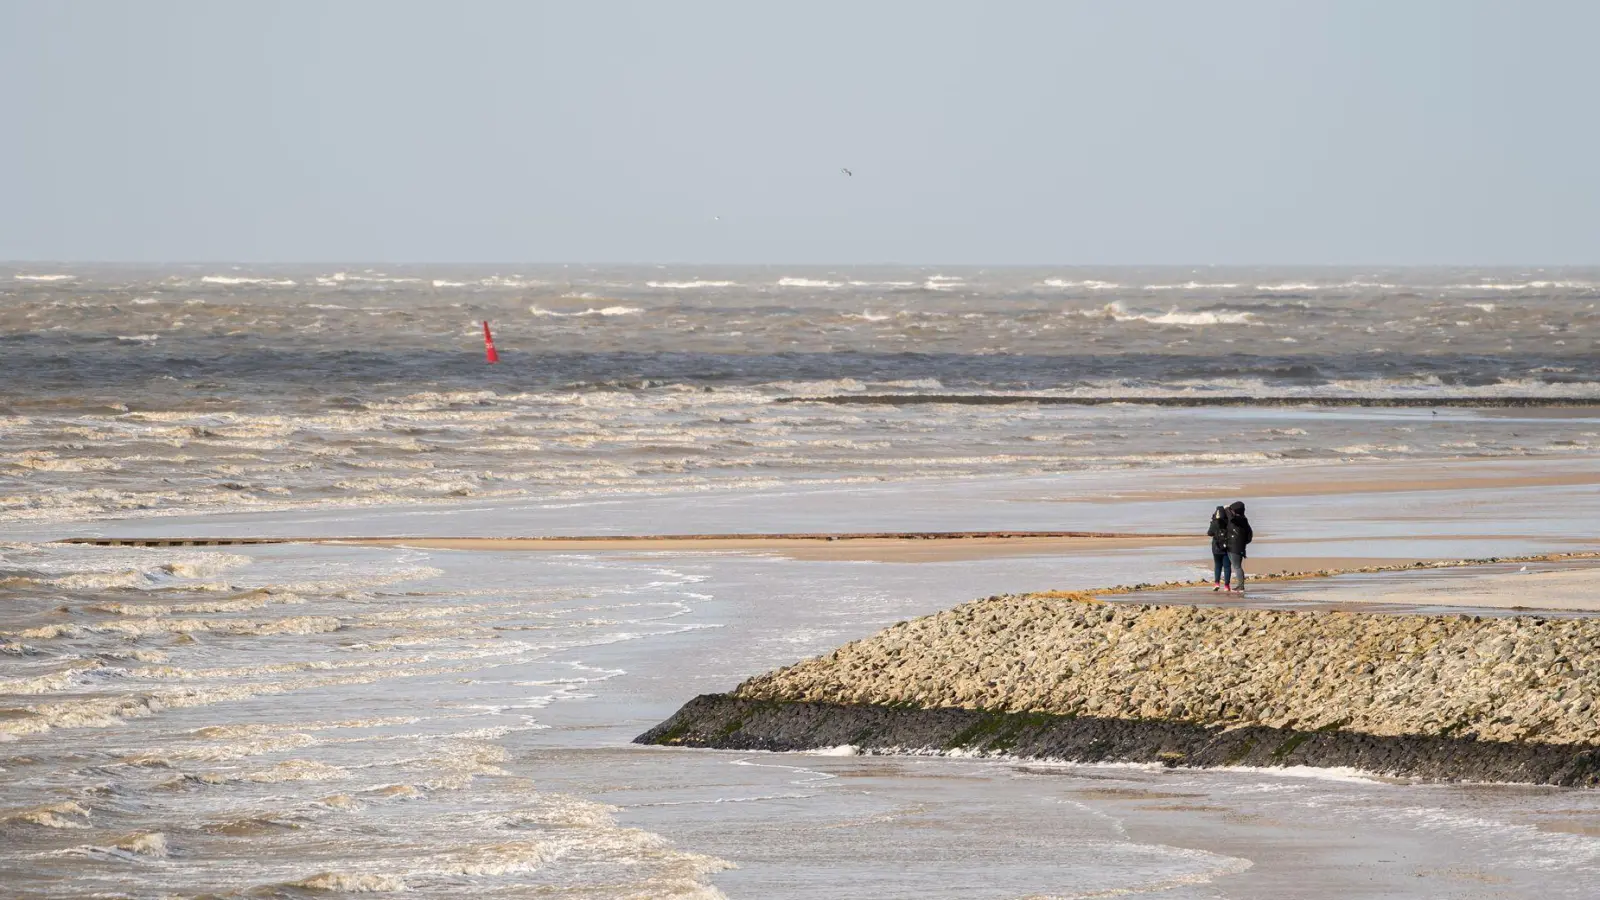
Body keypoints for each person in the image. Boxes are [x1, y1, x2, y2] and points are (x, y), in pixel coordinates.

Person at [1223, 500, 1253, 592]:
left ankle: (1241, 586)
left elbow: (1231, 518)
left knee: (1237, 566)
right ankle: (1240, 585)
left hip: (1236, 546)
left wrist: (1227, 508)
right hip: (1234, 545)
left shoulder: (1240, 519)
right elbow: (1249, 534)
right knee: (1236, 566)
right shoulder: (1242, 519)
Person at [1206, 505, 1230, 591]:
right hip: (1226, 547)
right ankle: (1227, 586)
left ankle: (1217, 583)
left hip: (1216, 548)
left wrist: (1212, 521)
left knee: (1217, 566)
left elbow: (1209, 533)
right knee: (1227, 567)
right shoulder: (1228, 522)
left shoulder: (1214, 522)